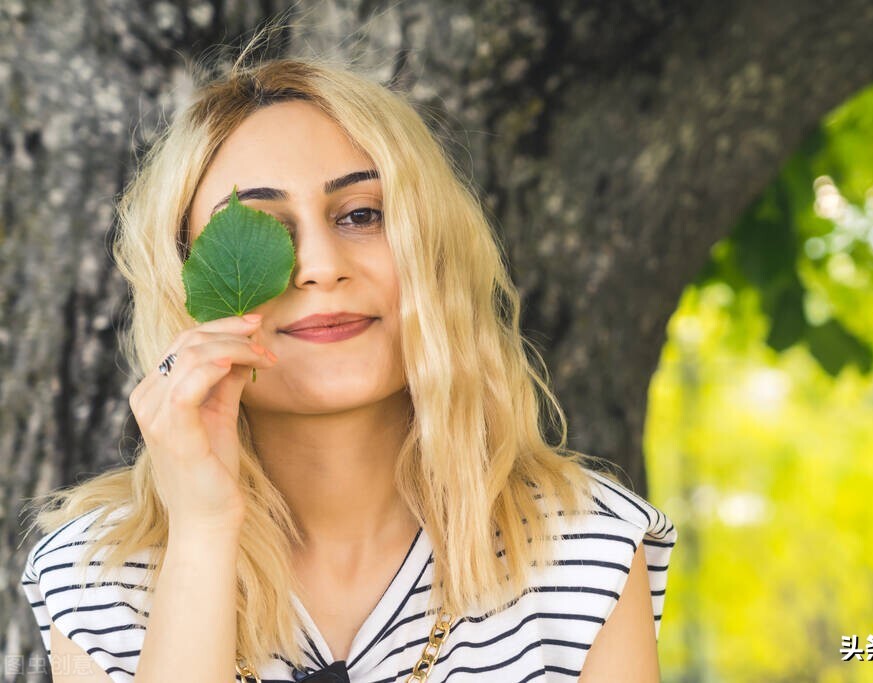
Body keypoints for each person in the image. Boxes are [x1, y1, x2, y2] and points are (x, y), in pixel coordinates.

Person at [19, 39, 677, 683]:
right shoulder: (96, 572)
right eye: (258, 229)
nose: (320, 267)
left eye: (361, 214)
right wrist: (203, 532)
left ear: (434, 250)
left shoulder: (588, 546)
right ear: (181, 283)